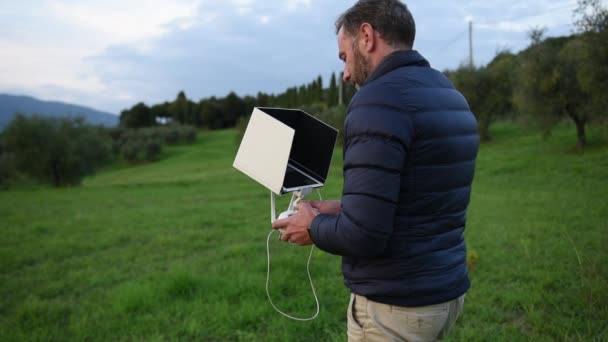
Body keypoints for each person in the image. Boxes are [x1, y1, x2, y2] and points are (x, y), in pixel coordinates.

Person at [272, 0, 479, 340]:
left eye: (344, 57)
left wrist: (313, 226)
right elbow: (417, 196)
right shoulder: (448, 93)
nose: (346, 73)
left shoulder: (377, 100)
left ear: (366, 36)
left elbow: (365, 235)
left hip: (395, 306)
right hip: (444, 294)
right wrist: (342, 208)